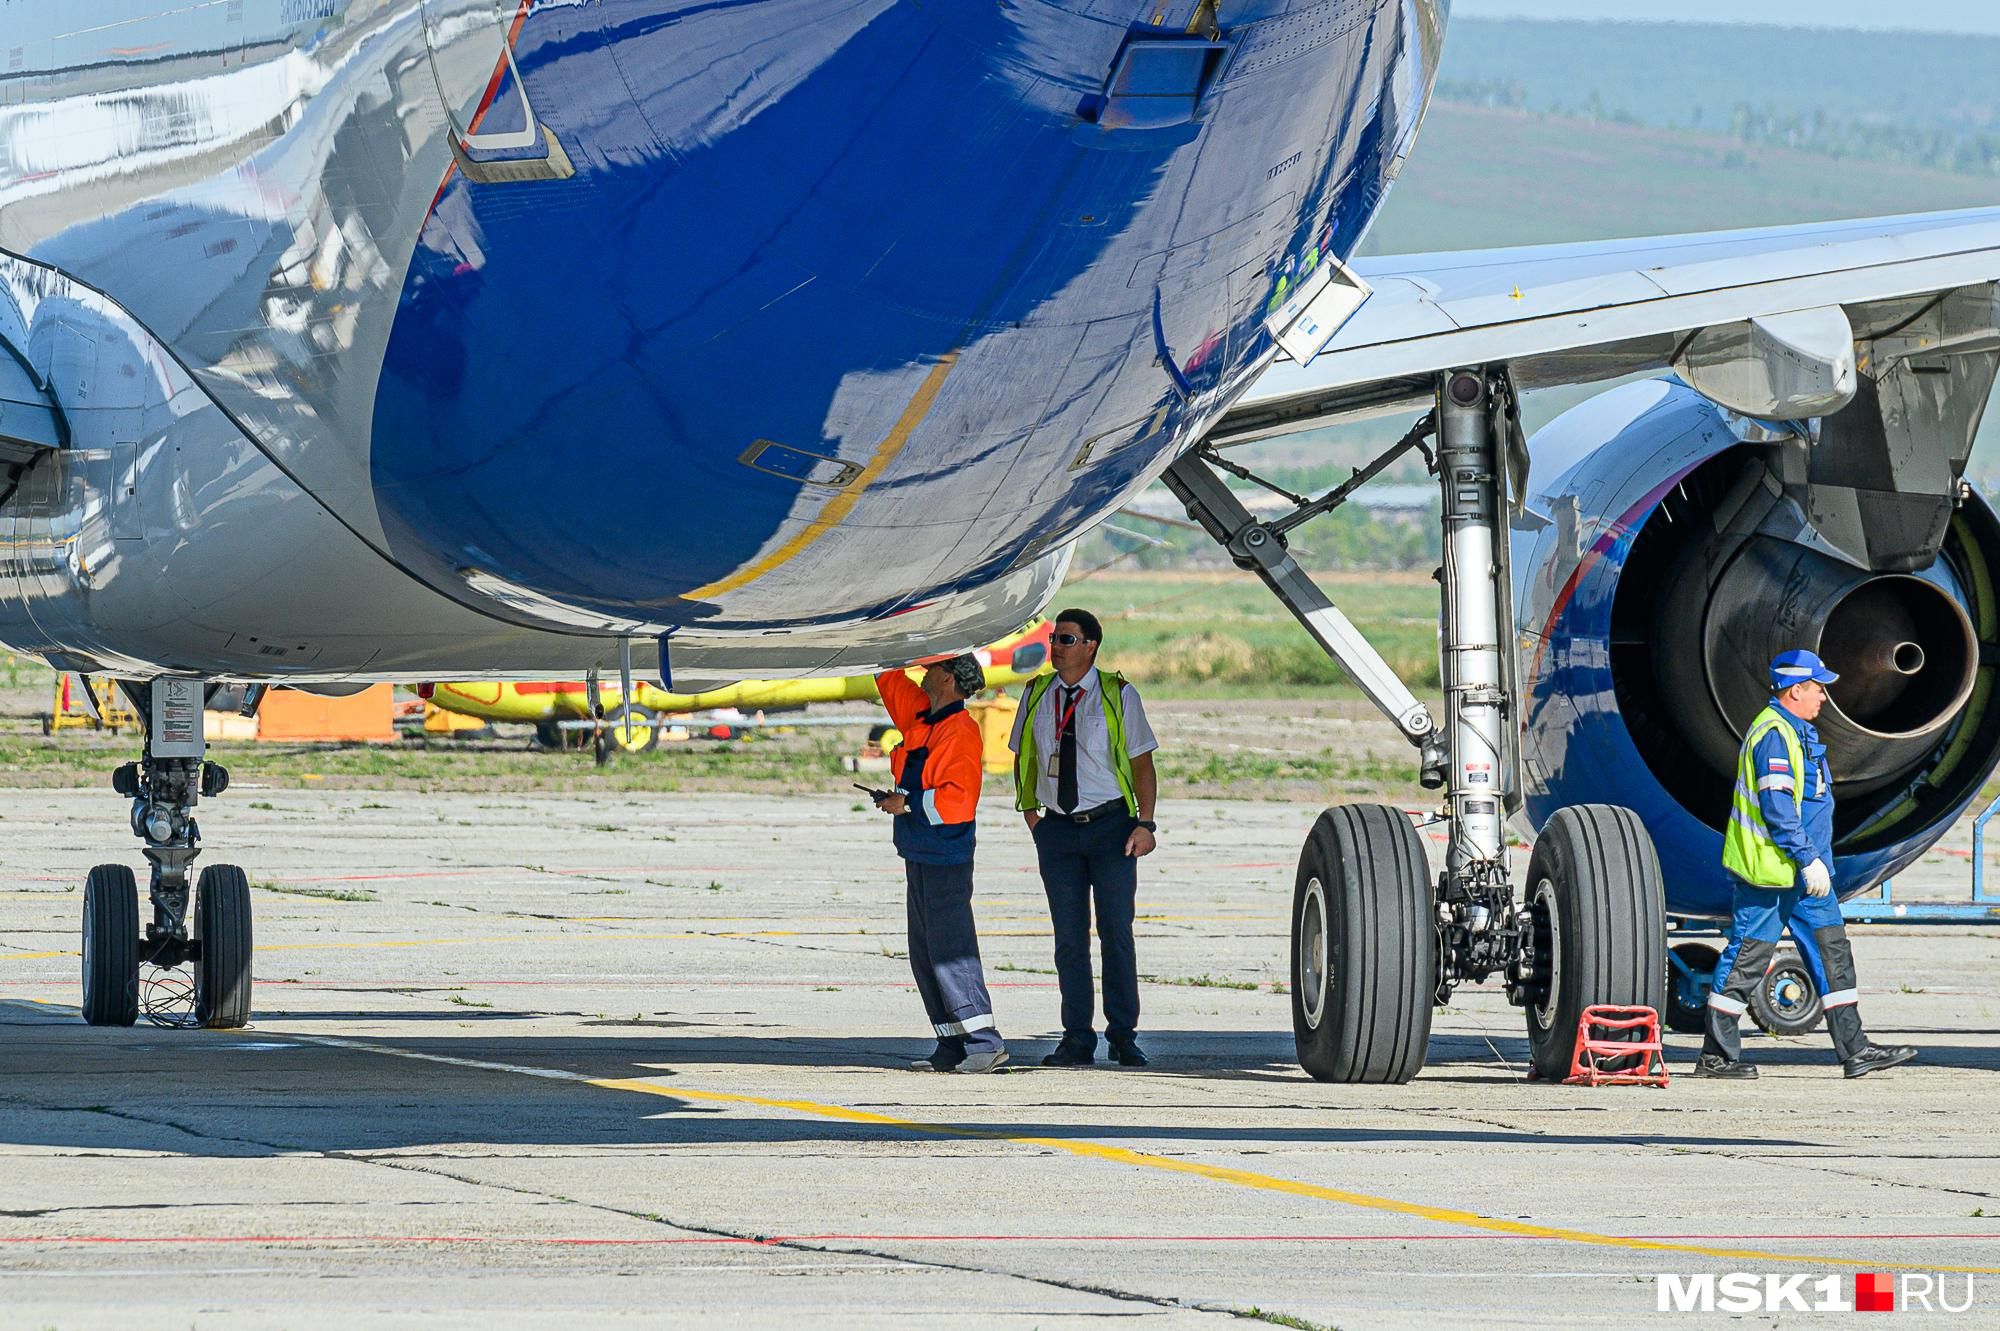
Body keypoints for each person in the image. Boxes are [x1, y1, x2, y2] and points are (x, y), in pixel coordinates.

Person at [1696, 648, 1917, 1080]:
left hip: (1806, 874)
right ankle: (1717, 1055)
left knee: (1833, 953)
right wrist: (1806, 858)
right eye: (1818, 687)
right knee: (1749, 956)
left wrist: (1813, 864)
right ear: (1796, 689)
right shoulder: (1774, 735)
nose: (1823, 696)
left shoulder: (1796, 733)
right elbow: (1778, 808)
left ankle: (1855, 1050)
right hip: (1773, 871)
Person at [1009, 608, 1158, 1067]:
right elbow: (1021, 755)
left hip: (1112, 827)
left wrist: (1145, 824)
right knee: (1069, 939)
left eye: (1067, 640)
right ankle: (1076, 1036)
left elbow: (1141, 763)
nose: (1056, 647)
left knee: (1116, 933)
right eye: (1055, 638)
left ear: (1091, 645)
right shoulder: (1036, 693)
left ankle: (1122, 1034)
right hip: (1056, 830)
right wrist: (1034, 817)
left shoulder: (1117, 694)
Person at [872, 653, 1007, 1074]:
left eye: (930, 667)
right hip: (919, 848)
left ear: (947, 679)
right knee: (926, 950)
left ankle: (985, 1042)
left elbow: (958, 801)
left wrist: (906, 802)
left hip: (944, 852)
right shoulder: (923, 719)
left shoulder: (959, 731)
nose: (922, 673)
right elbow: (889, 678)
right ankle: (950, 1043)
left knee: (951, 949)